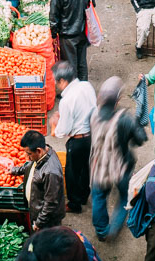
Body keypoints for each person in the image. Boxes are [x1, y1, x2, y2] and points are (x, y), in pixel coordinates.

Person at [90, 76, 147, 242]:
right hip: (120, 167)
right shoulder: (123, 118)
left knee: (99, 198)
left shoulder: (93, 114)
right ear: (118, 99)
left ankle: (101, 232)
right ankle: (114, 228)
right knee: (124, 196)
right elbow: (140, 139)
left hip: (98, 165)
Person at [51, 61, 96, 215]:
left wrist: (54, 125)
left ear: (63, 81)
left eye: (56, 82)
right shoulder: (86, 86)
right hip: (91, 135)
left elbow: (63, 131)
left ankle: (75, 203)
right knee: (85, 167)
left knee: (72, 172)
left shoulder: (66, 100)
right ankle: (84, 195)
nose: (56, 85)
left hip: (77, 139)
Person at [11, 130, 65, 232]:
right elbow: (31, 166)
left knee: (45, 242)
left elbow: (51, 203)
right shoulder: (43, 155)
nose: (27, 157)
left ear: (39, 151)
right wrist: (15, 170)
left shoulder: (51, 172)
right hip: (36, 211)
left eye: (29, 154)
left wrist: (39, 222)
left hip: (47, 221)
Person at [49, 0, 96, 82]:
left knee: (70, 66)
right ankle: (84, 87)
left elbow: (53, 18)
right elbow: (92, 3)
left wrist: (53, 34)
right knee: (82, 63)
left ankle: (73, 91)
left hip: (67, 35)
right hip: (83, 31)